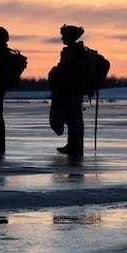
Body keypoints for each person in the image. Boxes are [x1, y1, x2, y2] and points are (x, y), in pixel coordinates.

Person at [49, 25, 89, 156]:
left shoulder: (74, 52)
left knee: (73, 119)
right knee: (73, 118)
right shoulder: (75, 51)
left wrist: (56, 72)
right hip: (72, 89)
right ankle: (73, 145)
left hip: (71, 89)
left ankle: (75, 146)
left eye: (64, 36)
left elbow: (68, 70)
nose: (62, 38)